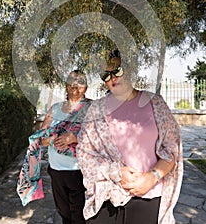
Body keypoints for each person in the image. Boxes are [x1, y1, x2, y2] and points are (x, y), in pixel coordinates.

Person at [76, 50, 183, 224]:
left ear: (130, 70)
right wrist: (116, 172)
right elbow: (83, 153)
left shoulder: (155, 103)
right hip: (108, 198)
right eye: (106, 75)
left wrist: (152, 177)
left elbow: (172, 149)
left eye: (117, 70)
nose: (112, 78)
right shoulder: (96, 109)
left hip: (149, 197)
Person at [41, 69, 92, 224]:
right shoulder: (55, 109)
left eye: (80, 82)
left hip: (80, 171)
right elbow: (41, 137)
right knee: (64, 213)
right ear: (66, 85)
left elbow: (100, 138)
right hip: (57, 171)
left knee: (79, 215)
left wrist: (74, 138)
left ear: (86, 87)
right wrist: (51, 139)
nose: (75, 85)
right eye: (72, 81)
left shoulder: (92, 108)